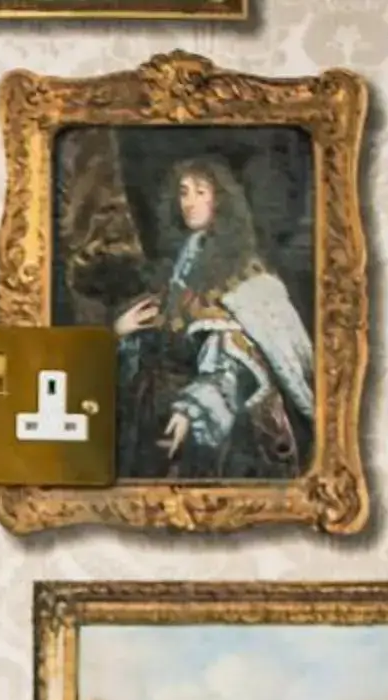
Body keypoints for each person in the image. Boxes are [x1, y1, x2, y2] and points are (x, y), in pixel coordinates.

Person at [111, 156, 318, 480]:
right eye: (183, 192)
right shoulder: (180, 266)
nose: (189, 202)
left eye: (200, 192)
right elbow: (163, 336)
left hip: (223, 425)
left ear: (221, 199)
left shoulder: (247, 278)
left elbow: (235, 359)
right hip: (156, 407)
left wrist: (191, 412)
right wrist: (121, 331)